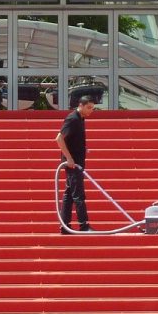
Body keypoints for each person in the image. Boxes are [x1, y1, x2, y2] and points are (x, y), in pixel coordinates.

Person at [55, 94, 96, 234]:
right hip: (73, 164)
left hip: (77, 162)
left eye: (93, 108)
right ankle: (84, 225)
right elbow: (59, 138)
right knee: (78, 195)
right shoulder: (72, 119)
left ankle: (64, 226)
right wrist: (69, 158)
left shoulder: (81, 119)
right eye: (89, 107)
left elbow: (73, 139)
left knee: (69, 194)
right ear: (81, 106)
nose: (91, 110)